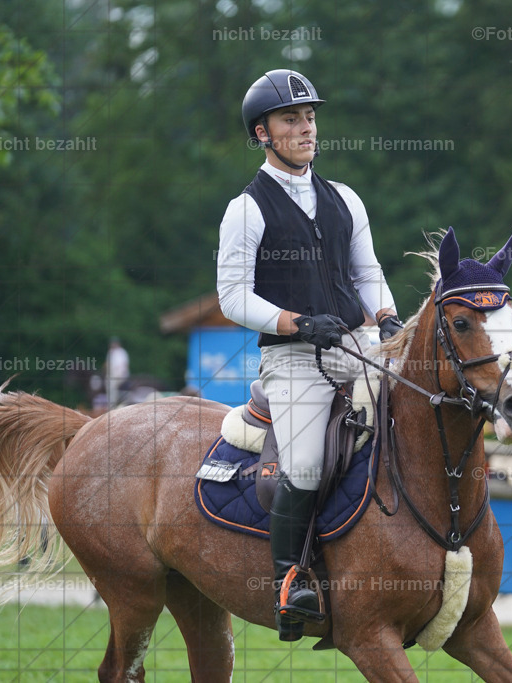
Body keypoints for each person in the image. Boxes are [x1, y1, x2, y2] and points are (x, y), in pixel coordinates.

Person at [216, 69, 401, 641]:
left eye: (311, 117)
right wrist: (295, 321)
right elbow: (231, 297)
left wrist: (390, 319)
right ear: (263, 133)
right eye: (292, 119)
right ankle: (289, 582)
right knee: (304, 465)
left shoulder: (345, 198)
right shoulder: (246, 209)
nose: (307, 128)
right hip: (294, 360)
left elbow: (366, 273)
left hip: (355, 346)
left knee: (418, 413)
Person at [104, 337, 130, 407]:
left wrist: (119, 375)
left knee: (112, 385)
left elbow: (123, 365)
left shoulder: (121, 352)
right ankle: (111, 403)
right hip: (112, 375)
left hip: (120, 375)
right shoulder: (110, 352)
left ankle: (113, 404)